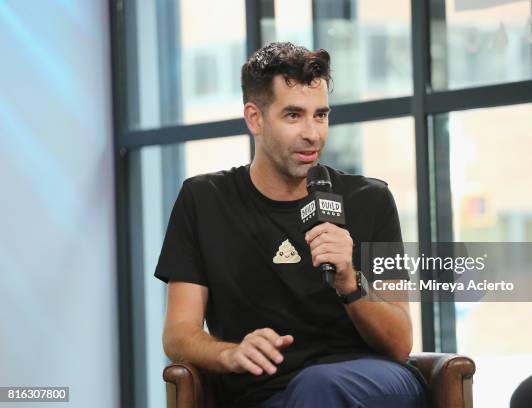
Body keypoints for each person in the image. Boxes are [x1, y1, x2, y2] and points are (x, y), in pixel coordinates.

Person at [154, 41, 427, 407]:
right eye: (294, 115)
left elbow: (399, 342)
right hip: (269, 394)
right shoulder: (203, 201)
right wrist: (229, 354)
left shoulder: (370, 199)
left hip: (371, 383)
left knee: (318, 386)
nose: (312, 133)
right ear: (255, 118)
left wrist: (349, 281)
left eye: (321, 115)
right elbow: (178, 334)